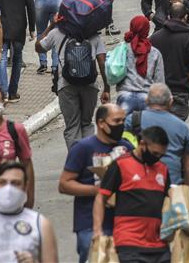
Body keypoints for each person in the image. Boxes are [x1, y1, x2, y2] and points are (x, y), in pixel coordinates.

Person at [59, 104, 132, 263]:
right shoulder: (83, 148)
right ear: (101, 123)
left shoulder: (127, 148)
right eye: (116, 121)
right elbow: (64, 184)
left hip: (122, 221)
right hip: (89, 222)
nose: (121, 125)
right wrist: (98, 190)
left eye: (123, 121)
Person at [93, 126, 171, 263]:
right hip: (129, 244)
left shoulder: (163, 169)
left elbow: (169, 200)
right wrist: (97, 230)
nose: (157, 158)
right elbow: (101, 197)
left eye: (161, 155)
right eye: (155, 153)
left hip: (159, 246)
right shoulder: (120, 165)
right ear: (142, 144)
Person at [36, 17, 110, 149]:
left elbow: (39, 48)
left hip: (66, 85)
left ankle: (76, 162)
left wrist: (51, 26)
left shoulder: (57, 32)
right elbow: (102, 62)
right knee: (86, 124)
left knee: (72, 126)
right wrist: (106, 87)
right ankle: (87, 161)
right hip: (90, 85)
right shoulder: (94, 35)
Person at [124, 83, 189, 189]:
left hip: (138, 185)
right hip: (172, 187)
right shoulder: (182, 127)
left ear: (146, 101)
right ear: (171, 102)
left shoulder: (133, 120)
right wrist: (187, 196)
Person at [150, 2, 189, 120]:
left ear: (168, 16)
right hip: (180, 94)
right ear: (186, 17)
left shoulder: (154, 38)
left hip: (158, 93)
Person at [116, 16, 165, 115]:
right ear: (147, 30)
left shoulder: (122, 49)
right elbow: (159, 82)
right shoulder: (155, 53)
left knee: (124, 128)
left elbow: (114, 70)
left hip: (125, 95)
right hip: (147, 98)